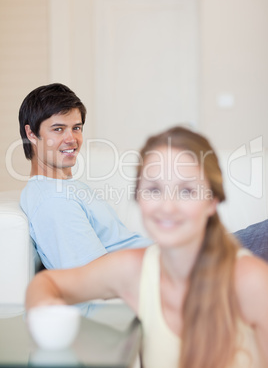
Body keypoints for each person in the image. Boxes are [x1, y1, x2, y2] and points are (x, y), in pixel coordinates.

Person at [25, 126, 268, 368]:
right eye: (154, 190)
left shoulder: (252, 282)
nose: (168, 206)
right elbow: (47, 283)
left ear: (212, 202)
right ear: (138, 198)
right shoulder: (133, 270)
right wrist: (50, 322)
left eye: (186, 191)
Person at [19, 83, 151, 270]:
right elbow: (92, 280)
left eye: (76, 128)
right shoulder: (54, 199)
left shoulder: (63, 186)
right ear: (31, 133)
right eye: (58, 129)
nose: (72, 139)